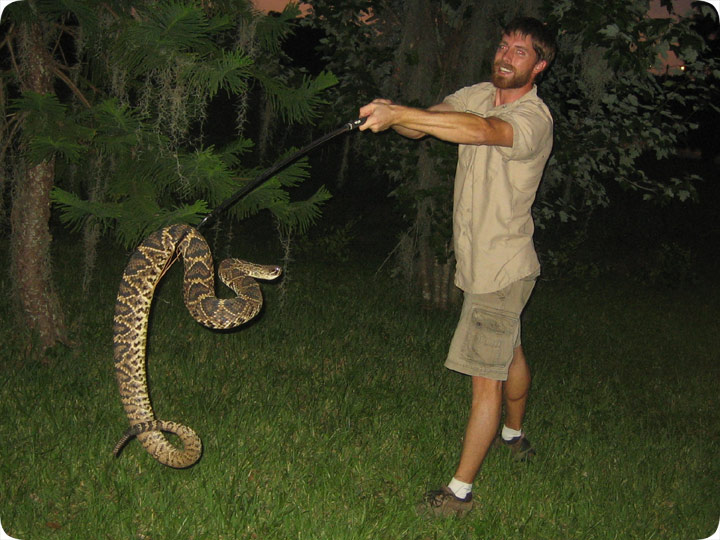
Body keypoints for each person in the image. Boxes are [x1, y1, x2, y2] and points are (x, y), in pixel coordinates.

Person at [358, 16, 556, 518]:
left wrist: (404, 114)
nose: (506, 56)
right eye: (504, 45)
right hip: (483, 263)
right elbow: (427, 122)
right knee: (507, 349)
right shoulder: (479, 92)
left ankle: (459, 494)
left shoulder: (534, 120)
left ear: (539, 65)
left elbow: (483, 132)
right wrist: (393, 114)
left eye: (520, 51)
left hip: (502, 268)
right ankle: (514, 436)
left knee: (484, 376)